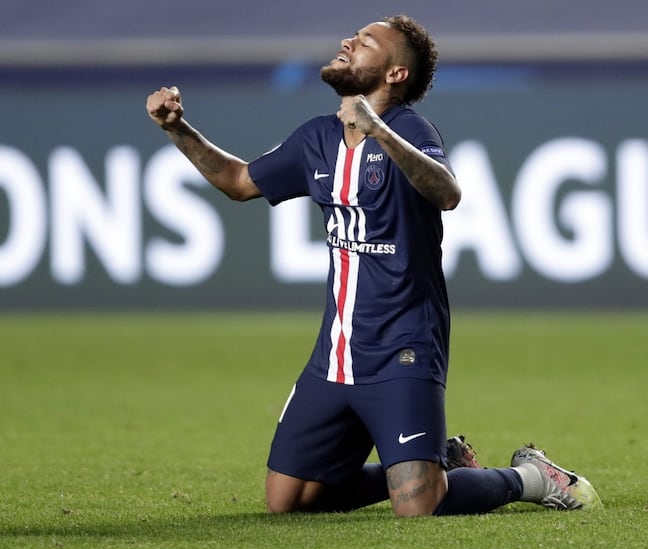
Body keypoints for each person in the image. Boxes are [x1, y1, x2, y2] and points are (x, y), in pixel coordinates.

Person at [145, 14, 601, 516]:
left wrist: (378, 130)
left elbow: (447, 193)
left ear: (394, 75)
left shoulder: (409, 130)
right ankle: (439, 463)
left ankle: (530, 477)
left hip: (402, 348)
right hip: (334, 355)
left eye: (364, 42)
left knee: (418, 508)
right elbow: (238, 181)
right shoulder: (315, 138)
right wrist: (177, 128)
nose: (347, 42)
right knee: (288, 501)